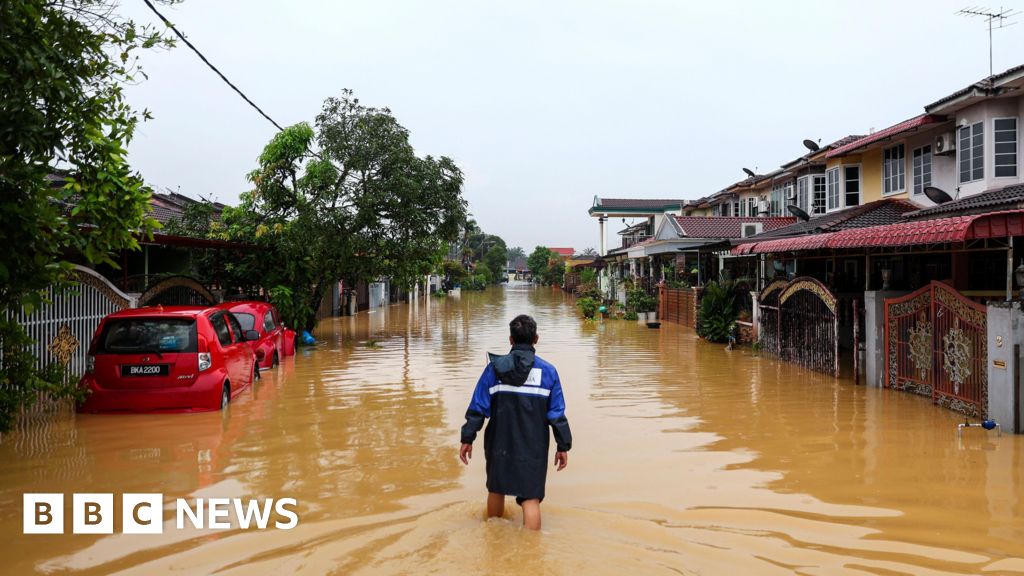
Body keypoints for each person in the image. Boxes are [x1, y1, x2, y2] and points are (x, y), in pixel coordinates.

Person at [459, 314, 572, 531]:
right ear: (536, 339)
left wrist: (467, 437)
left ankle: (493, 539)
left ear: (510, 340)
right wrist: (563, 445)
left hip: (500, 442)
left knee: (496, 489)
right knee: (531, 498)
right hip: (534, 446)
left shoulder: (494, 370)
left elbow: (478, 407)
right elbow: (556, 414)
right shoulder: (548, 372)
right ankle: (531, 552)